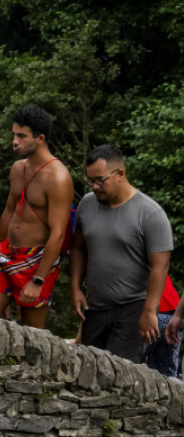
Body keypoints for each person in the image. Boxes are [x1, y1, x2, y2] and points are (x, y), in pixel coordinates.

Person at [73, 145, 173, 362]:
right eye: (90, 181)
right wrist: (75, 287)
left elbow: (161, 266)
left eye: (100, 180)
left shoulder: (150, 213)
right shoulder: (87, 204)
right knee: (88, 366)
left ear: (120, 174)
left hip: (132, 306)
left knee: (120, 373)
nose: (95, 187)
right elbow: (79, 248)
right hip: (96, 305)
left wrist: (149, 311)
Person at [0, 107, 73, 328]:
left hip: (36, 262)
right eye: (14, 134)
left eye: (21, 136)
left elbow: (58, 234)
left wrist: (38, 281)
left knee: (33, 338)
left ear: (40, 138)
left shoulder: (58, 177)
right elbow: (9, 213)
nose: (14, 141)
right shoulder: (18, 168)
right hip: (6, 254)